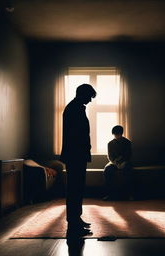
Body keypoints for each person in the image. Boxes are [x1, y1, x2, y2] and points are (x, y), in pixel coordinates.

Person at [60, 83, 96, 243]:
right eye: (89, 97)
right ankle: (73, 224)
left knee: (77, 188)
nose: (90, 100)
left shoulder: (75, 107)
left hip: (76, 155)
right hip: (76, 155)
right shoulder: (75, 109)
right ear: (83, 94)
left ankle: (76, 219)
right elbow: (77, 135)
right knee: (75, 189)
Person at [103, 125, 133, 200]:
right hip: (113, 162)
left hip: (125, 161)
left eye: (118, 134)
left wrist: (122, 162)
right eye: (115, 134)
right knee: (107, 170)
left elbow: (128, 155)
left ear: (121, 134)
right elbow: (110, 156)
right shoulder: (110, 143)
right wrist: (115, 162)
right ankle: (110, 194)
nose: (116, 136)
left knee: (128, 170)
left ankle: (128, 194)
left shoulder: (127, 142)